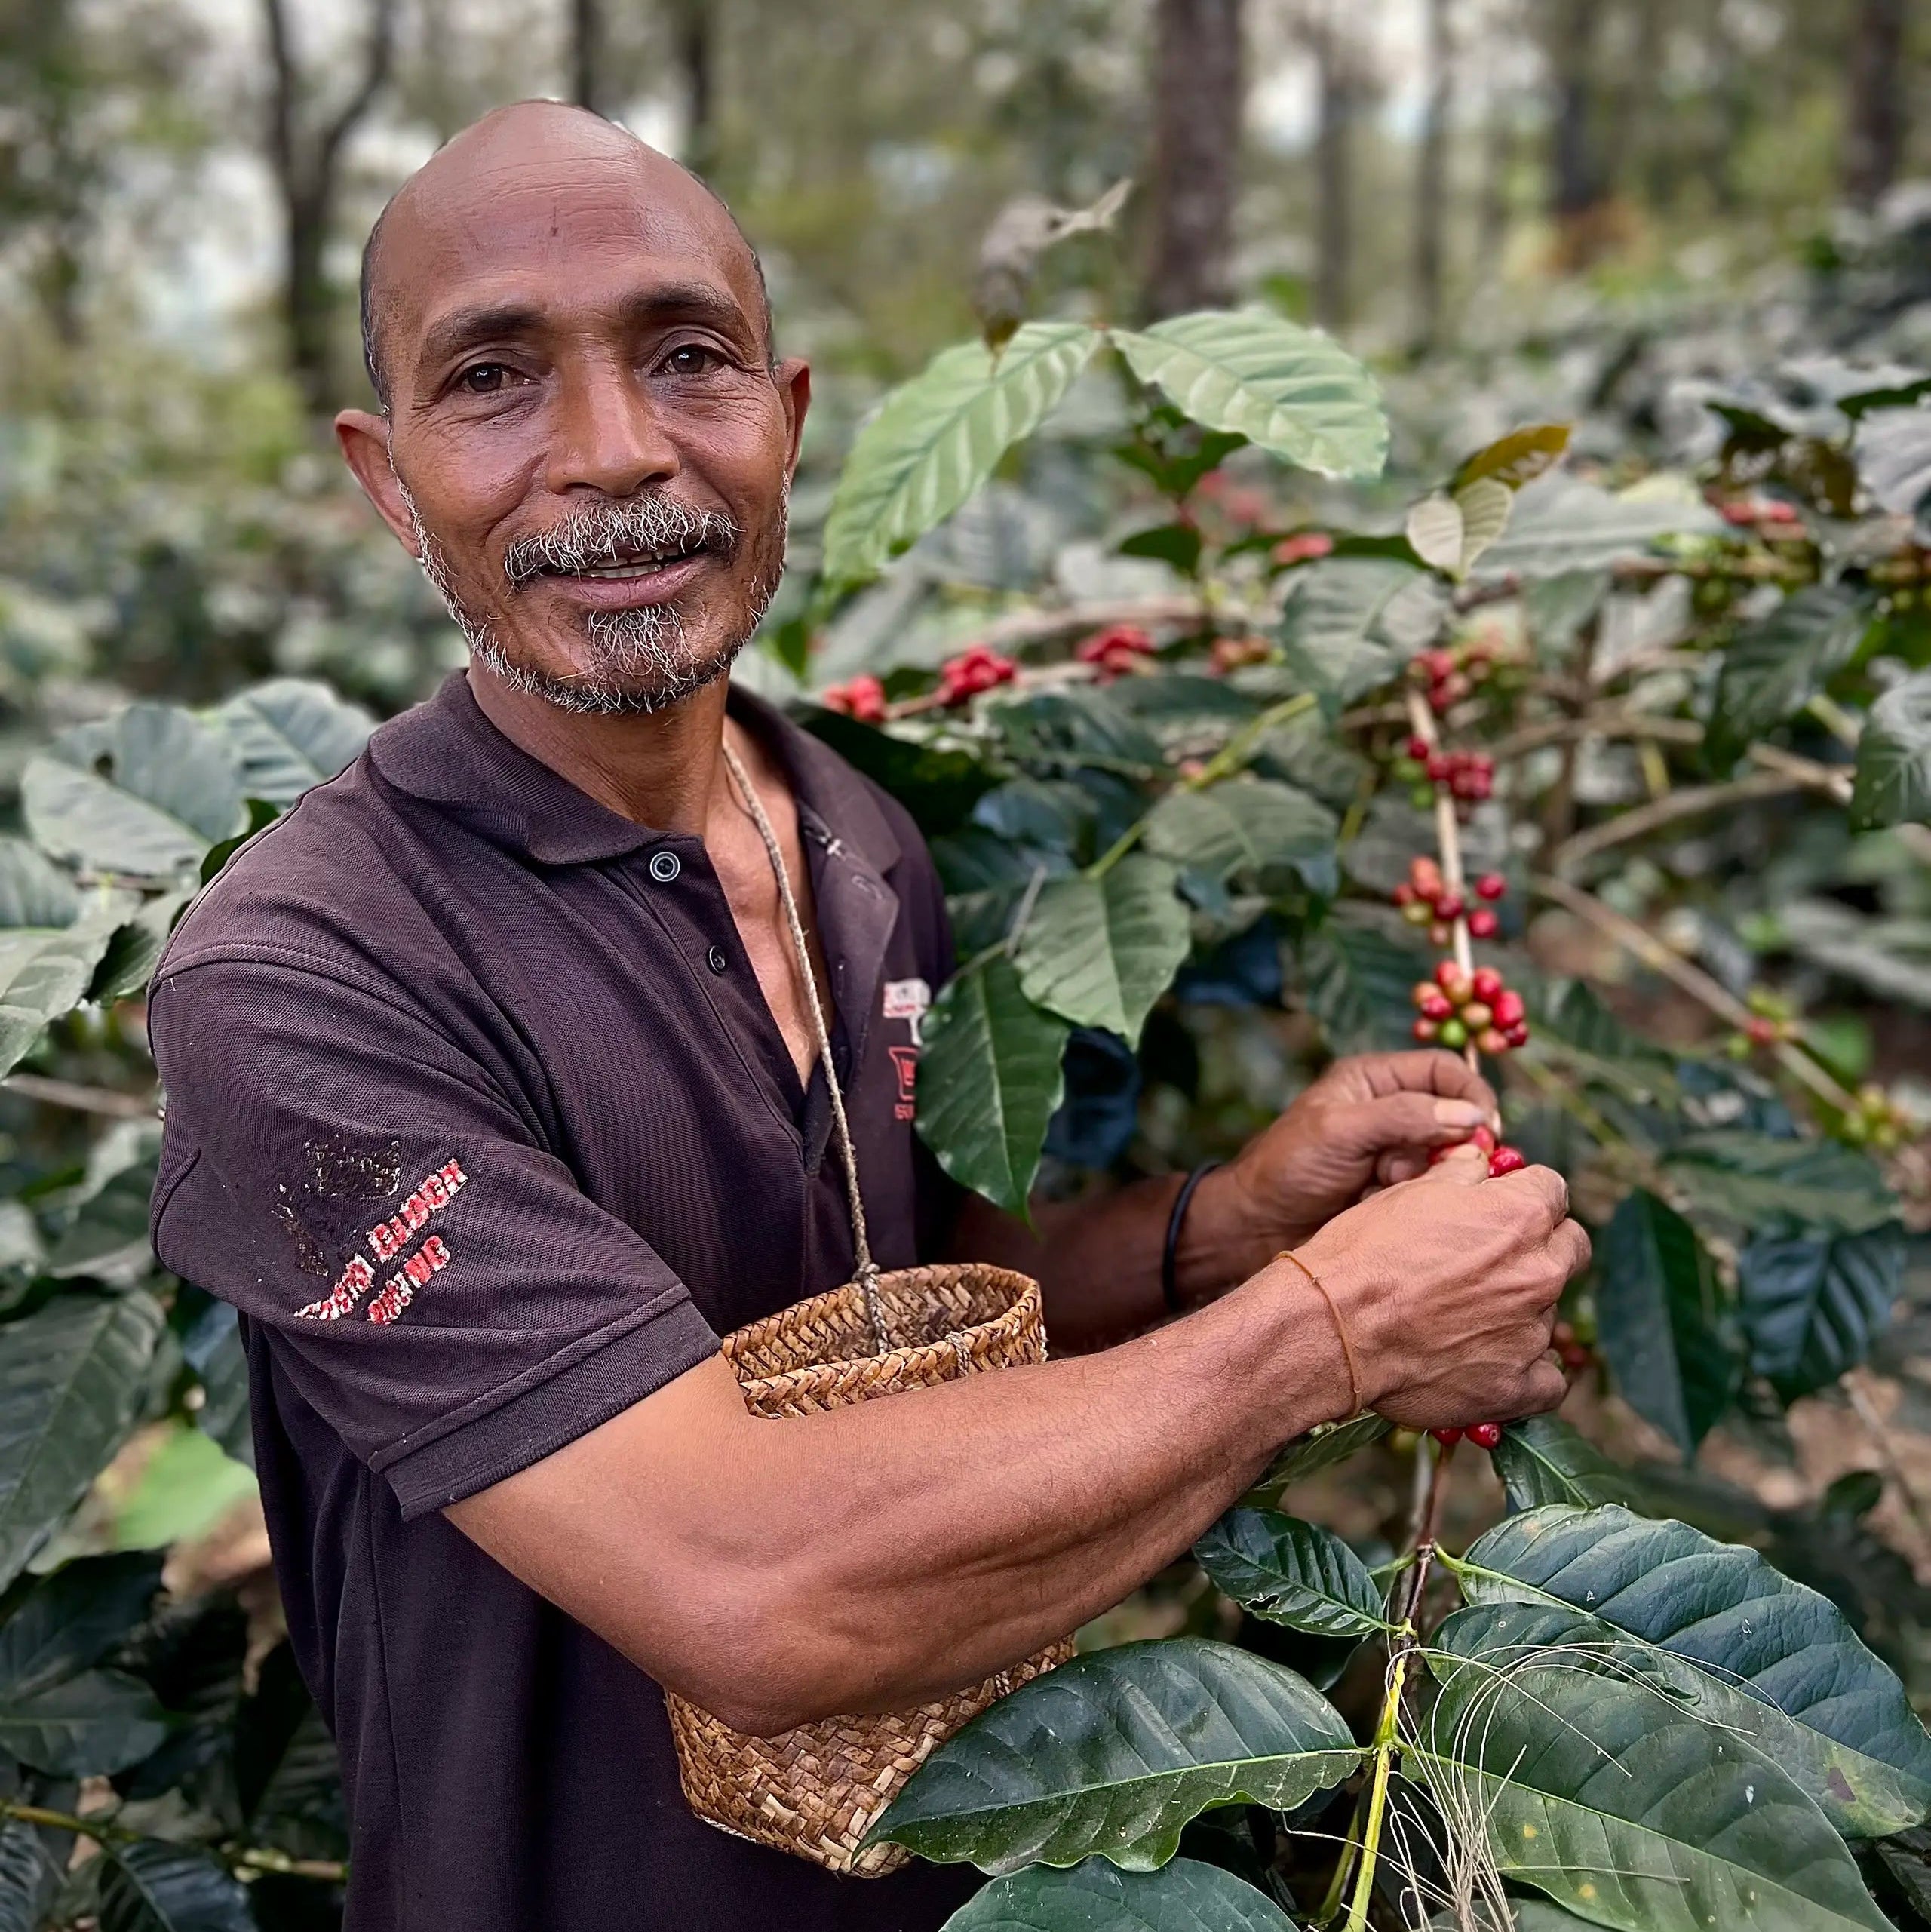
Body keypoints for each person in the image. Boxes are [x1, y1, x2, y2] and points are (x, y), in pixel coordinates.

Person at [146, 100, 1589, 1932]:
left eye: (688, 358)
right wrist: (1330, 1334)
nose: (609, 451)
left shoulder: (846, 830)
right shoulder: (303, 981)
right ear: (383, 474)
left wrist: (1227, 1226)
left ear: (788, 417)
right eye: (494, 378)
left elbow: (919, 1308)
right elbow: (751, 1590)